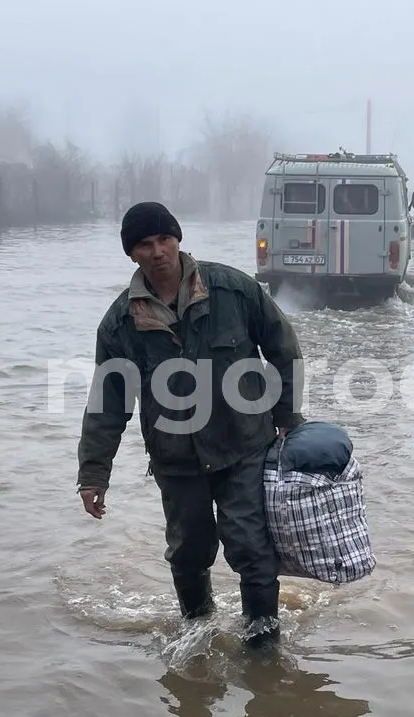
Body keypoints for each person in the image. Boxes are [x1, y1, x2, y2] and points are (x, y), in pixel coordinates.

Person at [76, 201, 306, 651]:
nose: (157, 251)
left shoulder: (233, 289)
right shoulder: (120, 322)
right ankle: (197, 633)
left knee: (251, 548)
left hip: (244, 445)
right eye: (144, 244)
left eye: (165, 239)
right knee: (188, 554)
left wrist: (287, 417)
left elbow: (284, 349)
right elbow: (109, 401)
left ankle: (264, 648)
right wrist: (93, 473)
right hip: (176, 460)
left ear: (178, 240)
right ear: (132, 254)